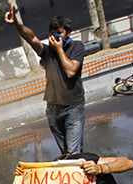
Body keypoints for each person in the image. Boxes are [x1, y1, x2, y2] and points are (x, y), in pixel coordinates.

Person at [5, 5, 86, 155]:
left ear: (68, 32)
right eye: (53, 34)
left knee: (73, 153)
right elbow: (31, 37)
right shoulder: (47, 51)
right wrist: (16, 23)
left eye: (60, 33)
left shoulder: (76, 46)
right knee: (65, 152)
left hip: (73, 107)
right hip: (53, 109)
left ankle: (83, 175)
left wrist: (60, 50)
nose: (56, 38)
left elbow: (71, 71)